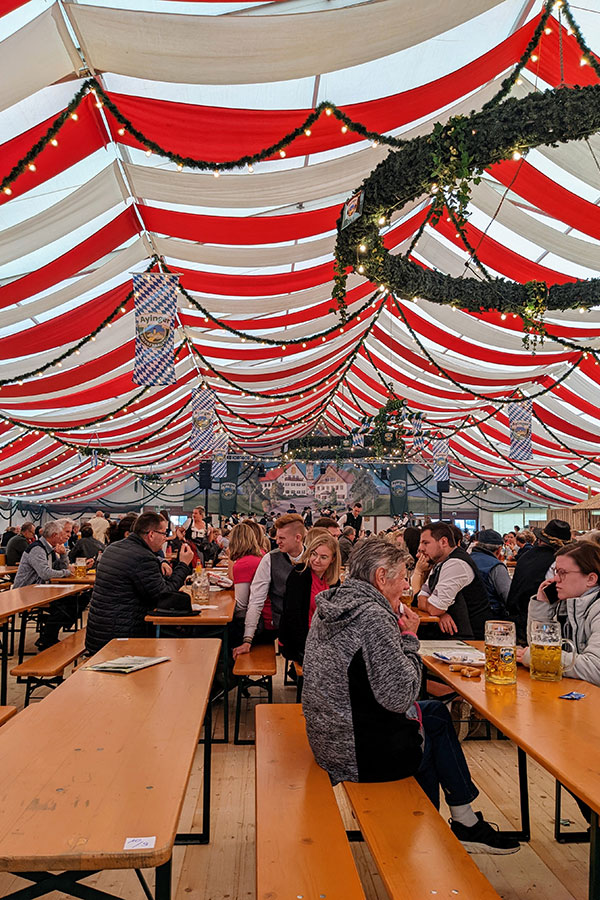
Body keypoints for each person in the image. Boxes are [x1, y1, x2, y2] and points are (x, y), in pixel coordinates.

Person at [302, 537, 519, 855]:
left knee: (434, 714)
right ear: (380, 577)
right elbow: (401, 696)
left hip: (327, 733)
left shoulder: (335, 603)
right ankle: (420, 837)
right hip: (355, 751)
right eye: (403, 576)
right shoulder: (373, 618)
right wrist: (408, 636)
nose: (407, 585)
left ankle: (461, 819)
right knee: (426, 742)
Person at [85, 512, 194, 656]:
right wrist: (184, 565)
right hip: (120, 639)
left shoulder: (113, 548)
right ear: (151, 534)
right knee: (183, 644)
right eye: (164, 533)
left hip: (97, 634)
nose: (165, 538)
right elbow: (164, 597)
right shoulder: (143, 558)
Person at [517, 542, 600, 686]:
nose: (555, 579)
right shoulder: (567, 604)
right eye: (556, 572)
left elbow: (595, 668)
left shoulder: (596, 608)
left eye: (563, 573)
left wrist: (536, 657)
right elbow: (538, 645)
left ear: (591, 579)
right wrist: (543, 604)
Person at [232, 513, 306, 658]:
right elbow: (255, 601)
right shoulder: (270, 559)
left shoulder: (313, 558)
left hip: (307, 627)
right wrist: (247, 639)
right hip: (278, 626)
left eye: (282, 538)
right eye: (277, 537)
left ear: (298, 538)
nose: (277, 541)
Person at [415, 522, 492, 638]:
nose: (421, 548)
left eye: (426, 543)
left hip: (469, 640)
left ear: (444, 542)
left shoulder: (456, 564)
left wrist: (438, 609)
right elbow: (419, 598)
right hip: (454, 635)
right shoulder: (440, 562)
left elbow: (435, 608)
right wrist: (440, 612)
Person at [279, 532, 340, 665]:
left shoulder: (334, 581)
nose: (316, 560)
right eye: (314, 554)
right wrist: (311, 647)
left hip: (323, 639)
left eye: (323, 557)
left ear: (333, 559)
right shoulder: (299, 575)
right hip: (298, 640)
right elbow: (292, 617)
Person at [507, 518, 571, 643]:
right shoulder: (557, 562)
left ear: (540, 540)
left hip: (515, 619)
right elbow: (553, 597)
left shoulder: (525, 556)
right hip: (537, 624)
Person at [14, 521, 77, 649]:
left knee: (74, 600)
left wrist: (64, 554)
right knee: (63, 605)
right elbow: (45, 573)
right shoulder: (37, 548)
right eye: (62, 534)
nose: (64, 537)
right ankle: (48, 639)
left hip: (40, 589)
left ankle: (47, 637)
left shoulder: (49, 548)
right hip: (26, 591)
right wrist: (67, 572)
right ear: (54, 535)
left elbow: (58, 567)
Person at [469, 529, 511, 617]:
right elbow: (509, 597)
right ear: (499, 550)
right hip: (492, 616)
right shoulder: (496, 567)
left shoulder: (466, 559)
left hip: (466, 616)